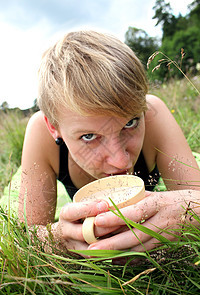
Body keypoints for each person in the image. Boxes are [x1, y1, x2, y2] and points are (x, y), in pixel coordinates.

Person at [19, 30, 200, 256]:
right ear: (53, 127)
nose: (120, 161)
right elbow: (25, 238)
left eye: (131, 123)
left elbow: (197, 196)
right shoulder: (40, 131)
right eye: (89, 137)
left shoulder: (152, 112)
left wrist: (187, 211)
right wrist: (58, 236)